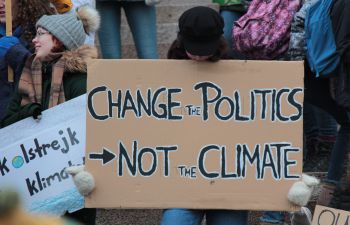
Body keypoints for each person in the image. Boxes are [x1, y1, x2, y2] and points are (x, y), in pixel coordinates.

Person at [0, 5, 100, 225]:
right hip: (35, 184)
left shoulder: (80, 81)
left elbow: (91, 135)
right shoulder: (29, 73)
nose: (34, 40)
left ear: (59, 40)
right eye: (36, 34)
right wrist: (29, 113)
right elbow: (6, 124)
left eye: (41, 34)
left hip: (71, 185)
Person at [164, 6, 247, 225]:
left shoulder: (241, 67)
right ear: (182, 41)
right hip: (182, 178)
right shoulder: (166, 70)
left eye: (205, 49)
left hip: (230, 179)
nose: (200, 55)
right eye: (194, 49)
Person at [0, 0, 55, 121]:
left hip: (31, 120)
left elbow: (51, 76)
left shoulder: (44, 31)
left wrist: (17, 54)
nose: (1, 5)